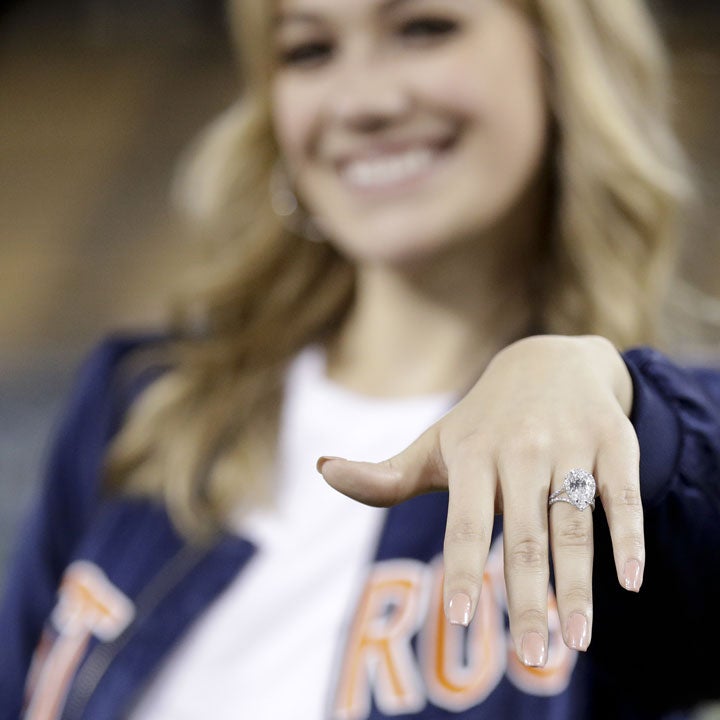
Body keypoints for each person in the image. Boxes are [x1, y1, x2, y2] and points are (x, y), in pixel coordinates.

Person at [1, 0, 719, 718]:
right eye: (310, 50)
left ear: (561, 59)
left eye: (422, 29)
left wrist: (612, 392)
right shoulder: (141, 404)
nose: (363, 101)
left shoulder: (627, 447)